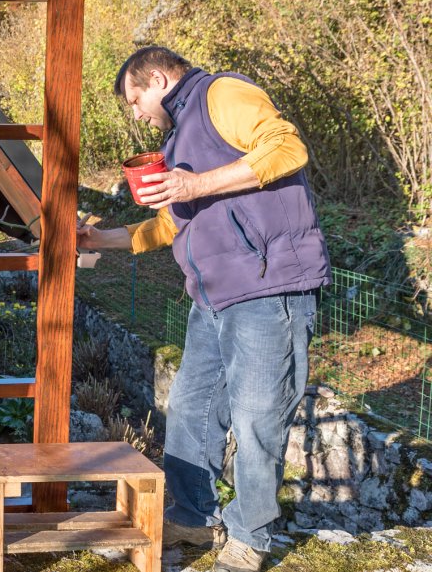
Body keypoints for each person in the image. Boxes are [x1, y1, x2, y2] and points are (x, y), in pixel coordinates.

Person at [78, 47, 329, 572]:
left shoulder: (222, 94)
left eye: (136, 98)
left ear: (160, 77)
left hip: (268, 286)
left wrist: (197, 182)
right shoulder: (178, 139)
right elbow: (173, 224)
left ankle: (251, 537)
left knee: (258, 417)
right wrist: (103, 237)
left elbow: (287, 148)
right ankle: (194, 516)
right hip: (211, 295)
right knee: (190, 410)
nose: (137, 112)